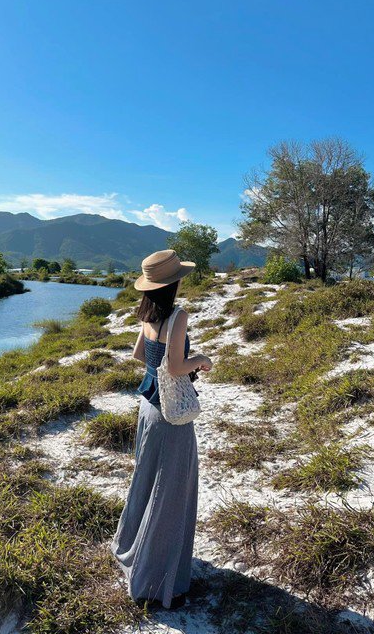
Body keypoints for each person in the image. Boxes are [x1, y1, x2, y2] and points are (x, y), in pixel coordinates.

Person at [110, 249, 213, 610]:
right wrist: (200, 360)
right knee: (170, 491)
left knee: (146, 481)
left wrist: (173, 361)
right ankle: (154, 583)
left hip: (148, 408)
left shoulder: (147, 314)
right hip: (170, 417)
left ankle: (133, 550)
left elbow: (141, 356)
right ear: (174, 282)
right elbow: (175, 367)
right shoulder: (178, 315)